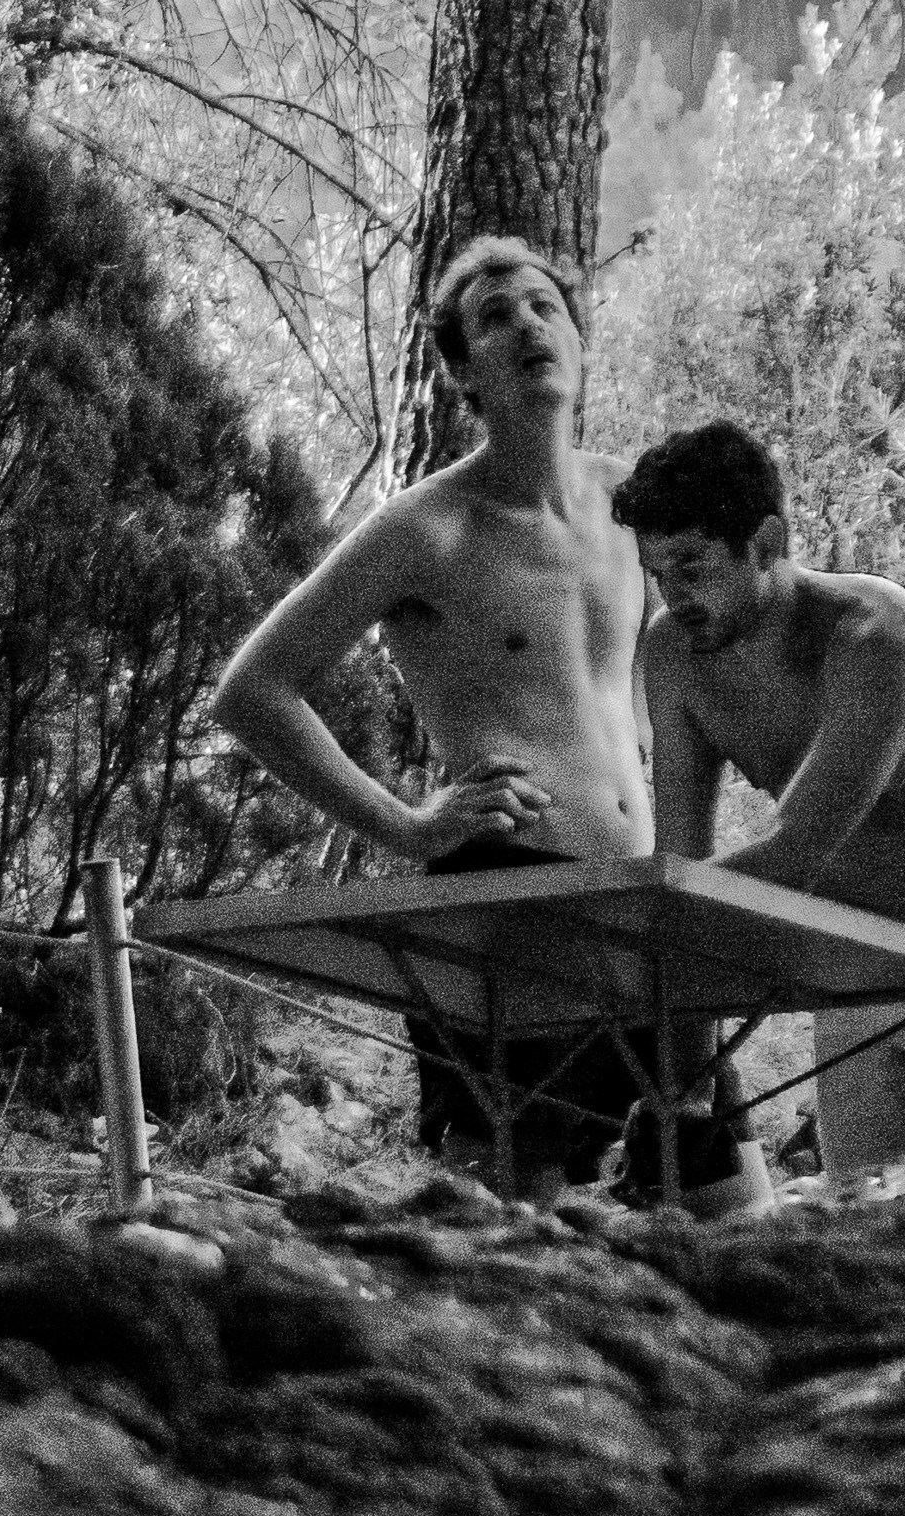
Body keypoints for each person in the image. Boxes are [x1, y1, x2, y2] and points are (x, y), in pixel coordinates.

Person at [208, 237, 674, 1191]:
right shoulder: (427, 527)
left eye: (545, 305)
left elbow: (654, 690)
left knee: (713, 1176)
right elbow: (253, 688)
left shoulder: (630, 502)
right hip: (510, 893)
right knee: (516, 1205)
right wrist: (405, 821)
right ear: (464, 370)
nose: (528, 326)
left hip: (643, 897)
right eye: (495, 318)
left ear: (580, 339)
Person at [618, 421, 905, 1178]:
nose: (674, 595)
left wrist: (651, 911)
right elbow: (682, 861)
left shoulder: (877, 632)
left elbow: (795, 848)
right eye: (657, 573)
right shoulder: (672, 654)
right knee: (859, 1217)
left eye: (690, 566)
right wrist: (682, 1086)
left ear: (765, 541)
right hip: (850, 945)